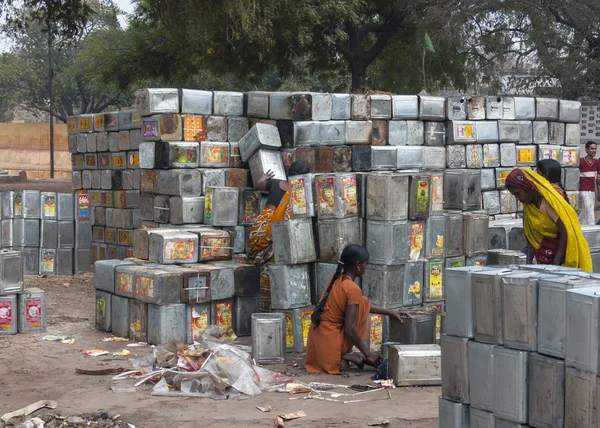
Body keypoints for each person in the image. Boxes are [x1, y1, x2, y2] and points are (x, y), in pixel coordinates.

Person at [305, 244, 406, 375]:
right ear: (358, 265)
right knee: (355, 315)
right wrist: (367, 353)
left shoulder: (336, 279)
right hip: (329, 347)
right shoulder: (352, 289)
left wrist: (390, 312)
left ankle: (346, 355)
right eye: (365, 264)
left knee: (362, 302)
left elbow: (362, 305)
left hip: (317, 342)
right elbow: (349, 328)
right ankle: (343, 354)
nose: (366, 268)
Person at [506, 168, 592, 271]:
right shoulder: (528, 207)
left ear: (527, 186)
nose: (517, 198)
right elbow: (529, 234)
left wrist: (556, 260)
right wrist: (528, 262)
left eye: (518, 193)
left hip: (561, 257)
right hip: (543, 258)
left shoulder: (548, 202)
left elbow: (565, 229)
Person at [247, 160, 311, 265]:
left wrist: (263, 178)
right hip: (279, 230)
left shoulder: (277, 183)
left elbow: (258, 185)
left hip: (261, 228)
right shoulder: (301, 195)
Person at [578, 141, 600, 225]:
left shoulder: (597, 162)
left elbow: (598, 177)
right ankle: (592, 228)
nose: (594, 150)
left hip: (592, 190)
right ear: (586, 150)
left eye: (595, 149)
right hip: (583, 189)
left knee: (586, 210)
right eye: (592, 148)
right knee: (589, 211)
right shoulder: (580, 161)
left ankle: (578, 224)